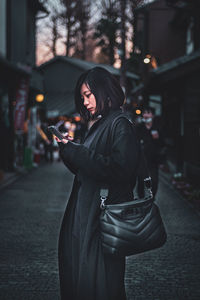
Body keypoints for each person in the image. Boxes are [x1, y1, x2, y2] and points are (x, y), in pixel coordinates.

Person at [55, 67, 140, 300]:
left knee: (102, 282)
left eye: (88, 95)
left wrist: (77, 152)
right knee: (84, 277)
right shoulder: (99, 124)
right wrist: (68, 150)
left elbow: (120, 169)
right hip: (86, 214)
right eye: (82, 97)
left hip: (102, 218)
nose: (85, 102)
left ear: (104, 91)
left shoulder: (120, 124)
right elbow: (86, 169)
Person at [136, 106, 166, 198]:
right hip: (142, 159)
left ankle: (151, 199)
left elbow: (162, 145)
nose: (145, 115)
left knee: (155, 181)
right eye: (144, 113)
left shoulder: (157, 128)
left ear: (152, 116)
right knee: (141, 181)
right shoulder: (139, 128)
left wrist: (157, 139)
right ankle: (141, 201)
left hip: (154, 159)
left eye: (148, 113)